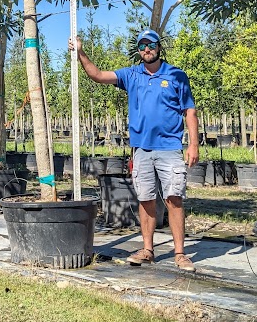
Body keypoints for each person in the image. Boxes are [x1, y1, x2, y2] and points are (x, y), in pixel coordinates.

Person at [69, 28, 199, 272]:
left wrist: (193, 144)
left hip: (170, 147)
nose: (146, 49)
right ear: (139, 51)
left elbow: (189, 110)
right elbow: (97, 75)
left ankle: (180, 253)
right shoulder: (132, 75)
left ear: (159, 47)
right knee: (146, 199)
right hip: (141, 150)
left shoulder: (176, 75)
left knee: (174, 199)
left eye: (151, 45)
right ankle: (147, 250)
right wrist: (81, 53)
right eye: (142, 46)